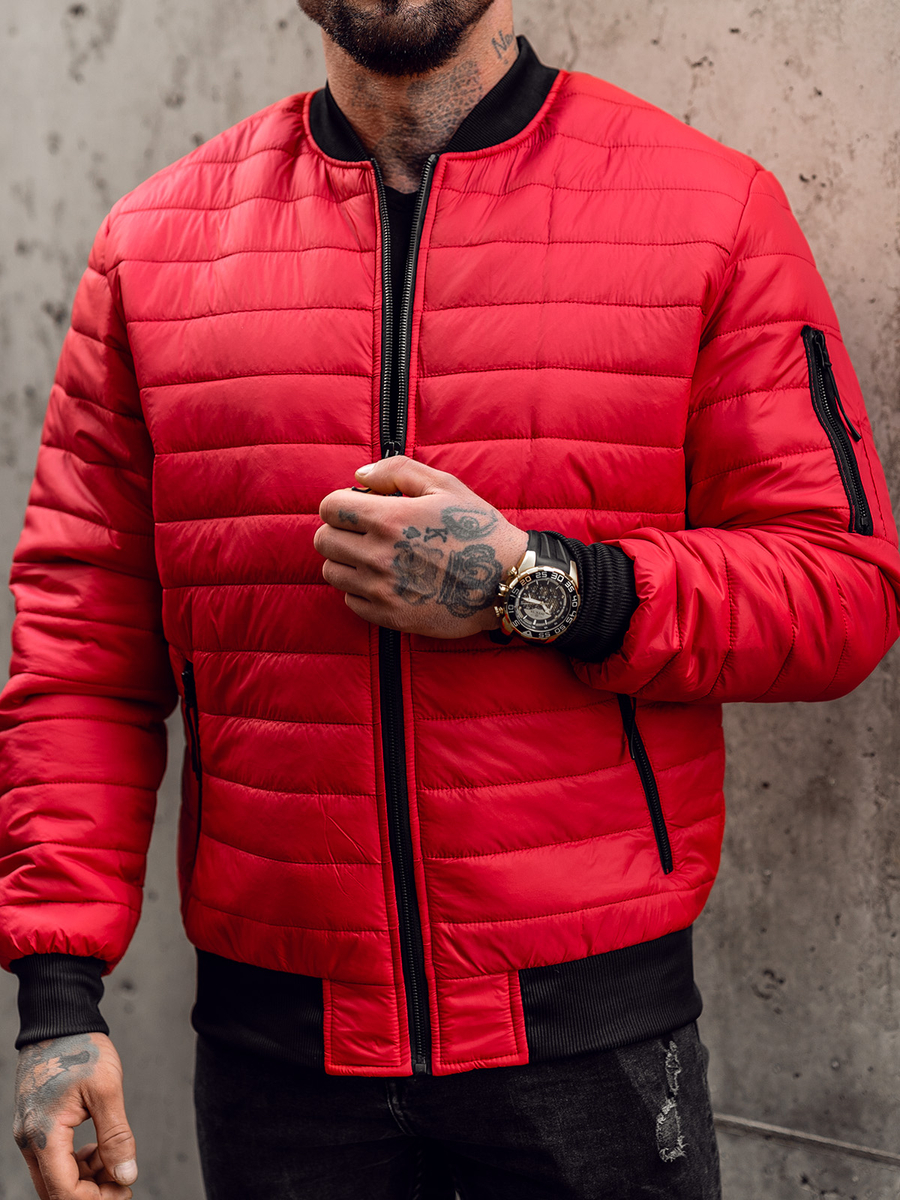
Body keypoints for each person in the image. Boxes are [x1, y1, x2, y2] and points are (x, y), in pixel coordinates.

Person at [3, 1, 899, 1197]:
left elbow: (841, 590)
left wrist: (539, 585)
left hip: (589, 1050)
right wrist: (58, 1001)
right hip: (282, 1068)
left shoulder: (710, 210)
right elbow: (80, 657)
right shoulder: (153, 251)